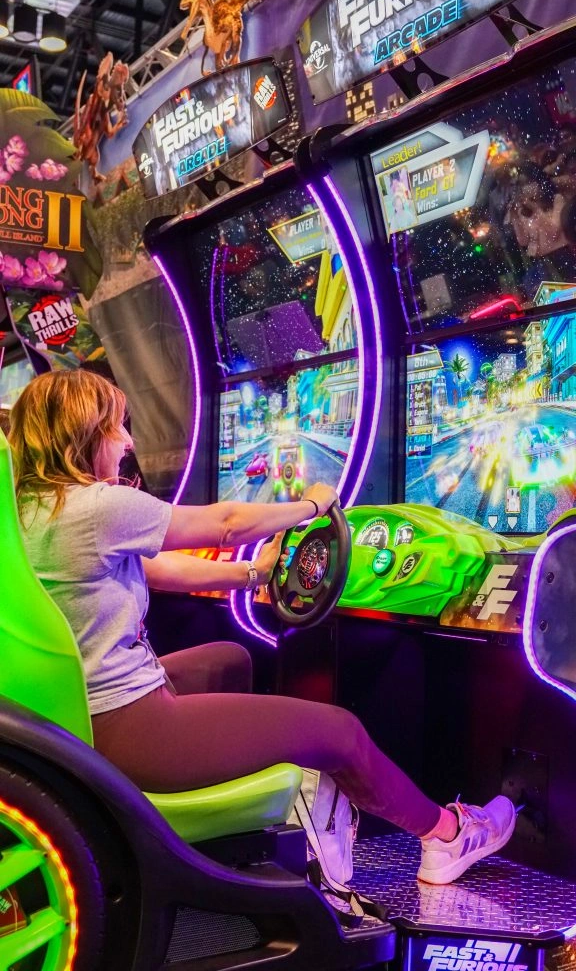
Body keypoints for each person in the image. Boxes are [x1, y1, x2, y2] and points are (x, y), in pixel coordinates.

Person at [9, 369, 516, 886]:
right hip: (127, 729)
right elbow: (226, 522)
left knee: (232, 657)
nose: (128, 441)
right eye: (117, 427)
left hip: (77, 719)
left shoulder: (28, 513)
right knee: (341, 732)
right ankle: (448, 835)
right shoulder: (98, 507)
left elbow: (159, 568)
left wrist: (253, 573)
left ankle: (240, 833)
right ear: (86, 432)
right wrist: (314, 503)